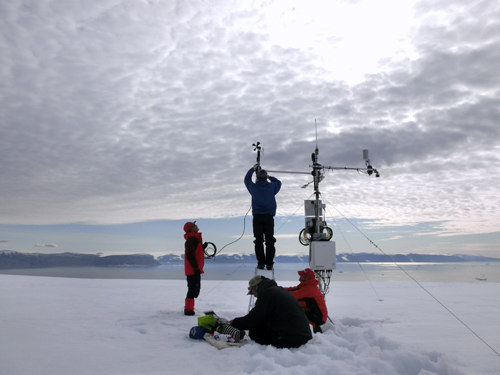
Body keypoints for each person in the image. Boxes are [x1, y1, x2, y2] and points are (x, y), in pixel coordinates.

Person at [229, 275, 312, 348]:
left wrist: (235, 322)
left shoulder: (267, 294)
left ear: (256, 287)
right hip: (302, 334)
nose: (254, 295)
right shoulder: (278, 290)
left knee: (255, 332)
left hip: (294, 338)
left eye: (252, 291)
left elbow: (252, 319)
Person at [244, 165, 282, 270]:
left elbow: (246, 179)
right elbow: (279, 183)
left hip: (257, 217)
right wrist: (270, 177)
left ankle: (261, 263)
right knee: (269, 240)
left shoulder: (253, 188)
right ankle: (269, 263)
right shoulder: (272, 187)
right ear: (265, 178)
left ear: (257, 178)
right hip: (269, 217)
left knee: (258, 240)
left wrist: (252, 169)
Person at [284, 268, 328, 333]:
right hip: (312, 312)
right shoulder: (306, 285)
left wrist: (278, 292)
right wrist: (279, 289)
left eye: (301, 275)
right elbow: (293, 289)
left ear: (306, 278)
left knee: (297, 315)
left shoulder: (309, 289)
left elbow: (293, 295)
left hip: (319, 317)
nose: (300, 276)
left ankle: (314, 329)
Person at [183, 221, 206, 316]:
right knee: (193, 290)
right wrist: (196, 268)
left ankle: (189, 309)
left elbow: (196, 253)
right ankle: (188, 310)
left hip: (194, 269)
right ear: (191, 229)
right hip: (193, 270)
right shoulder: (191, 239)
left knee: (194, 289)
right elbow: (190, 256)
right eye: (194, 225)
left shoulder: (194, 238)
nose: (197, 226)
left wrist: (202, 247)